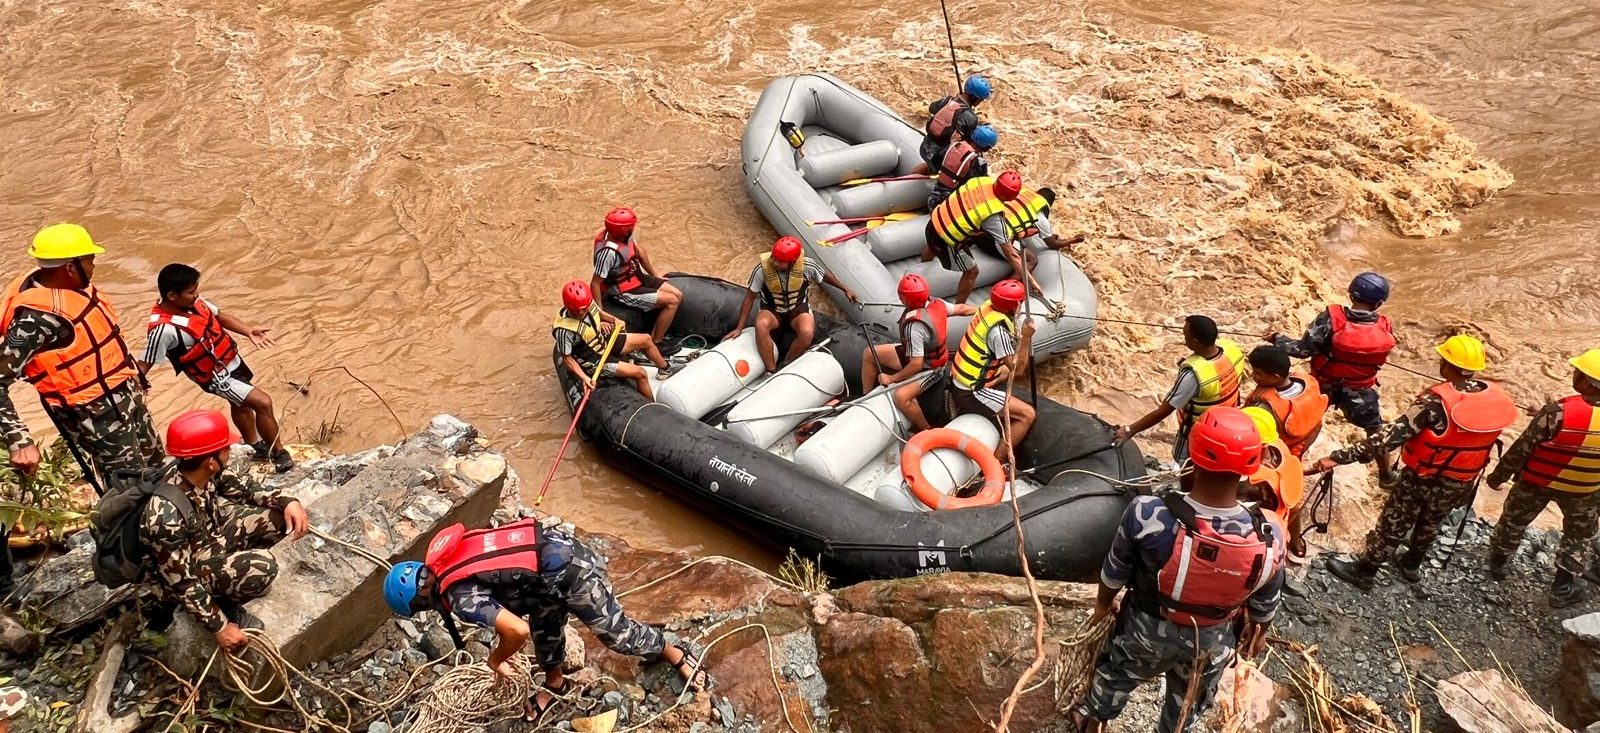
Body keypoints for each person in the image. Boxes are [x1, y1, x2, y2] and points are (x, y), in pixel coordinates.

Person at [1071, 407, 1286, 733]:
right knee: (1188, 703)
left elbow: (1115, 570)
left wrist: (1103, 606)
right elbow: (1264, 606)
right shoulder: (1270, 533)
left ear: (1192, 455)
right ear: (1250, 466)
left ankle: (1092, 722)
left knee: (1115, 676)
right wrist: (1260, 632)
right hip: (1211, 638)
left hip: (1145, 629)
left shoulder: (1148, 512)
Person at [382, 519, 706, 723]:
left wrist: (496, 661)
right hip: (544, 576)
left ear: (419, 606)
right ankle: (555, 683)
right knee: (546, 631)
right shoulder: (446, 560)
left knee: (615, 635)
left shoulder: (460, 598)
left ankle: (672, 652)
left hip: (572, 572)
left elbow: (515, 630)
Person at [1307, 335, 1517, 588]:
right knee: (1432, 520)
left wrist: (1338, 457)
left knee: (1394, 520)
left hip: (1424, 476)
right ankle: (1411, 564)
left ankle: (1365, 571)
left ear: (1446, 365)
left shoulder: (1435, 403)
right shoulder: (1493, 398)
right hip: (1462, 478)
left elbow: (1388, 438)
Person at [0, 224, 163, 492]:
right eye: (90, 260)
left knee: (157, 467)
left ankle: (170, 521)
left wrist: (135, 376)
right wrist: (20, 440)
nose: (94, 266)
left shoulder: (70, 287)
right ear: (70, 267)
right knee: (131, 490)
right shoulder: (35, 321)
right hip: (98, 419)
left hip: (126, 396)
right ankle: (130, 531)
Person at [139, 410, 309, 652]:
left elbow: (246, 489)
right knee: (263, 567)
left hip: (209, 538)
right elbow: (181, 582)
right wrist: (219, 625)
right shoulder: (165, 517)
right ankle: (225, 603)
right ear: (211, 460)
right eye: (225, 448)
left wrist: (287, 501)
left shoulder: (201, 470)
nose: (229, 451)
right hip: (182, 571)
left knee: (279, 520)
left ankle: (227, 579)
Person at [139, 264, 293, 473]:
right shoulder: (163, 330)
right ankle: (278, 453)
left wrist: (248, 331)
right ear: (172, 296)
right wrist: (136, 385)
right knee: (263, 403)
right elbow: (145, 362)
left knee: (240, 404)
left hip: (231, 360)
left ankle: (254, 446)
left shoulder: (196, 303)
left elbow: (220, 316)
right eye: (191, 292)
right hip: (216, 377)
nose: (197, 295)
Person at [1485, 349, 1600, 607]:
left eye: (1577, 372)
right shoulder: (1554, 412)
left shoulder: (1557, 413)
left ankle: (1499, 565)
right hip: (1585, 490)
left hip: (1538, 482)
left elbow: (1521, 449)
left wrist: (1497, 477)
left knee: (1514, 521)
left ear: (1586, 382)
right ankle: (1562, 588)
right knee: (1578, 536)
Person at [1267, 272, 1396, 481]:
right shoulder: (1384, 324)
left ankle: (1287, 465)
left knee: (1310, 421)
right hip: (1360, 390)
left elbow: (1302, 350)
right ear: (1379, 303)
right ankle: (1386, 474)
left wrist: (1277, 339)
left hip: (1324, 384)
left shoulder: (1331, 318)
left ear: (1351, 295)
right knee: (1375, 430)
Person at [922, 171, 1077, 305]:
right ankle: (960, 306)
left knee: (932, 244)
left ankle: (923, 265)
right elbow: (1012, 256)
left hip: (934, 222)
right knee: (972, 272)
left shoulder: (981, 181)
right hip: (947, 240)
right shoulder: (994, 217)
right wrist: (1033, 282)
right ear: (1012, 197)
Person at [1116, 316, 1247, 465]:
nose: (1184, 339)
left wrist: (1129, 430)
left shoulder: (1192, 376)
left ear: (1195, 342)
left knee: (1186, 465)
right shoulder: (1232, 349)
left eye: (1186, 336)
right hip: (1229, 426)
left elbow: (1164, 411)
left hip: (1200, 434)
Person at [723, 236, 858, 374]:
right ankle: (771, 369)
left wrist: (845, 288)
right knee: (761, 325)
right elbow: (749, 299)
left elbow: (825, 276)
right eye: (774, 258)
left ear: (792, 261)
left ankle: (786, 364)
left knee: (807, 332)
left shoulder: (807, 266)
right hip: (772, 309)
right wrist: (739, 328)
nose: (774, 262)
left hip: (797, 308)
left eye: (780, 261)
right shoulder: (761, 270)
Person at [862, 274, 978, 432]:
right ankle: (865, 397)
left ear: (904, 299)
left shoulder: (914, 327)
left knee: (902, 398)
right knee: (870, 353)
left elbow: (916, 364)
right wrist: (980, 311)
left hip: (930, 368)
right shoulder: (937, 303)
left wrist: (891, 378)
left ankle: (925, 430)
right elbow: (961, 308)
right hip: (916, 353)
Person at [947, 279, 1035, 462]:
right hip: (971, 390)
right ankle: (998, 460)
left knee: (1002, 370)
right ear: (1015, 305)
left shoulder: (988, 307)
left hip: (963, 374)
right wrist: (1026, 337)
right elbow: (1018, 370)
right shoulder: (999, 333)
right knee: (1027, 414)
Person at [555, 281, 671, 402]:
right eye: (578, 311)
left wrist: (614, 320)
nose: (582, 312)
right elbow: (567, 358)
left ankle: (665, 369)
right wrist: (584, 378)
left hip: (602, 341)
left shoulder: (586, 303)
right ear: (570, 307)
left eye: (584, 309)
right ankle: (653, 408)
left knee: (646, 339)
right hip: (594, 360)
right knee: (640, 373)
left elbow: (598, 313)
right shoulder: (564, 331)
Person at [591, 207, 683, 349]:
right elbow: (595, 283)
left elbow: (639, 253)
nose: (633, 228)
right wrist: (600, 311)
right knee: (672, 302)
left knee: (678, 294)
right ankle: (657, 343)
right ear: (624, 230)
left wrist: (654, 276)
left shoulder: (625, 236)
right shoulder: (608, 253)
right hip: (622, 290)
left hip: (636, 277)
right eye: (631, 226)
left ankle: (658, 327)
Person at [1242, 405, 1308, 553]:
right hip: (1281, 525)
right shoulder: (1278, 446)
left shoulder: (1256, 483)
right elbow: (1295, 507)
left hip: (1263, 540)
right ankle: (1295, 542)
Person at [1244, 345, 1328, 459]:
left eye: (1257, 374)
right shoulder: (1307, 381)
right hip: (1304, 442)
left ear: (1275, 377)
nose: (1253, 376)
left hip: (1280, 451)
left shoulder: (1265, 408)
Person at [918, 74, 990, 169]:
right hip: (938, 158)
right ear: (974, 97)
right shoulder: (971, 118)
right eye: (980, 99)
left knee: (928, 166)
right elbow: (968, 143)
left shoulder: (947, 100)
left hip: (924, 147)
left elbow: (932, 108)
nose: (980, 102)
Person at [926, 124, 998, 210]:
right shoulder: (979, 162)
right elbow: (981, 186)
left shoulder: (954, 145)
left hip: (933, 197)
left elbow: (935, 160)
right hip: (947, 205)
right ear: (986, 148)